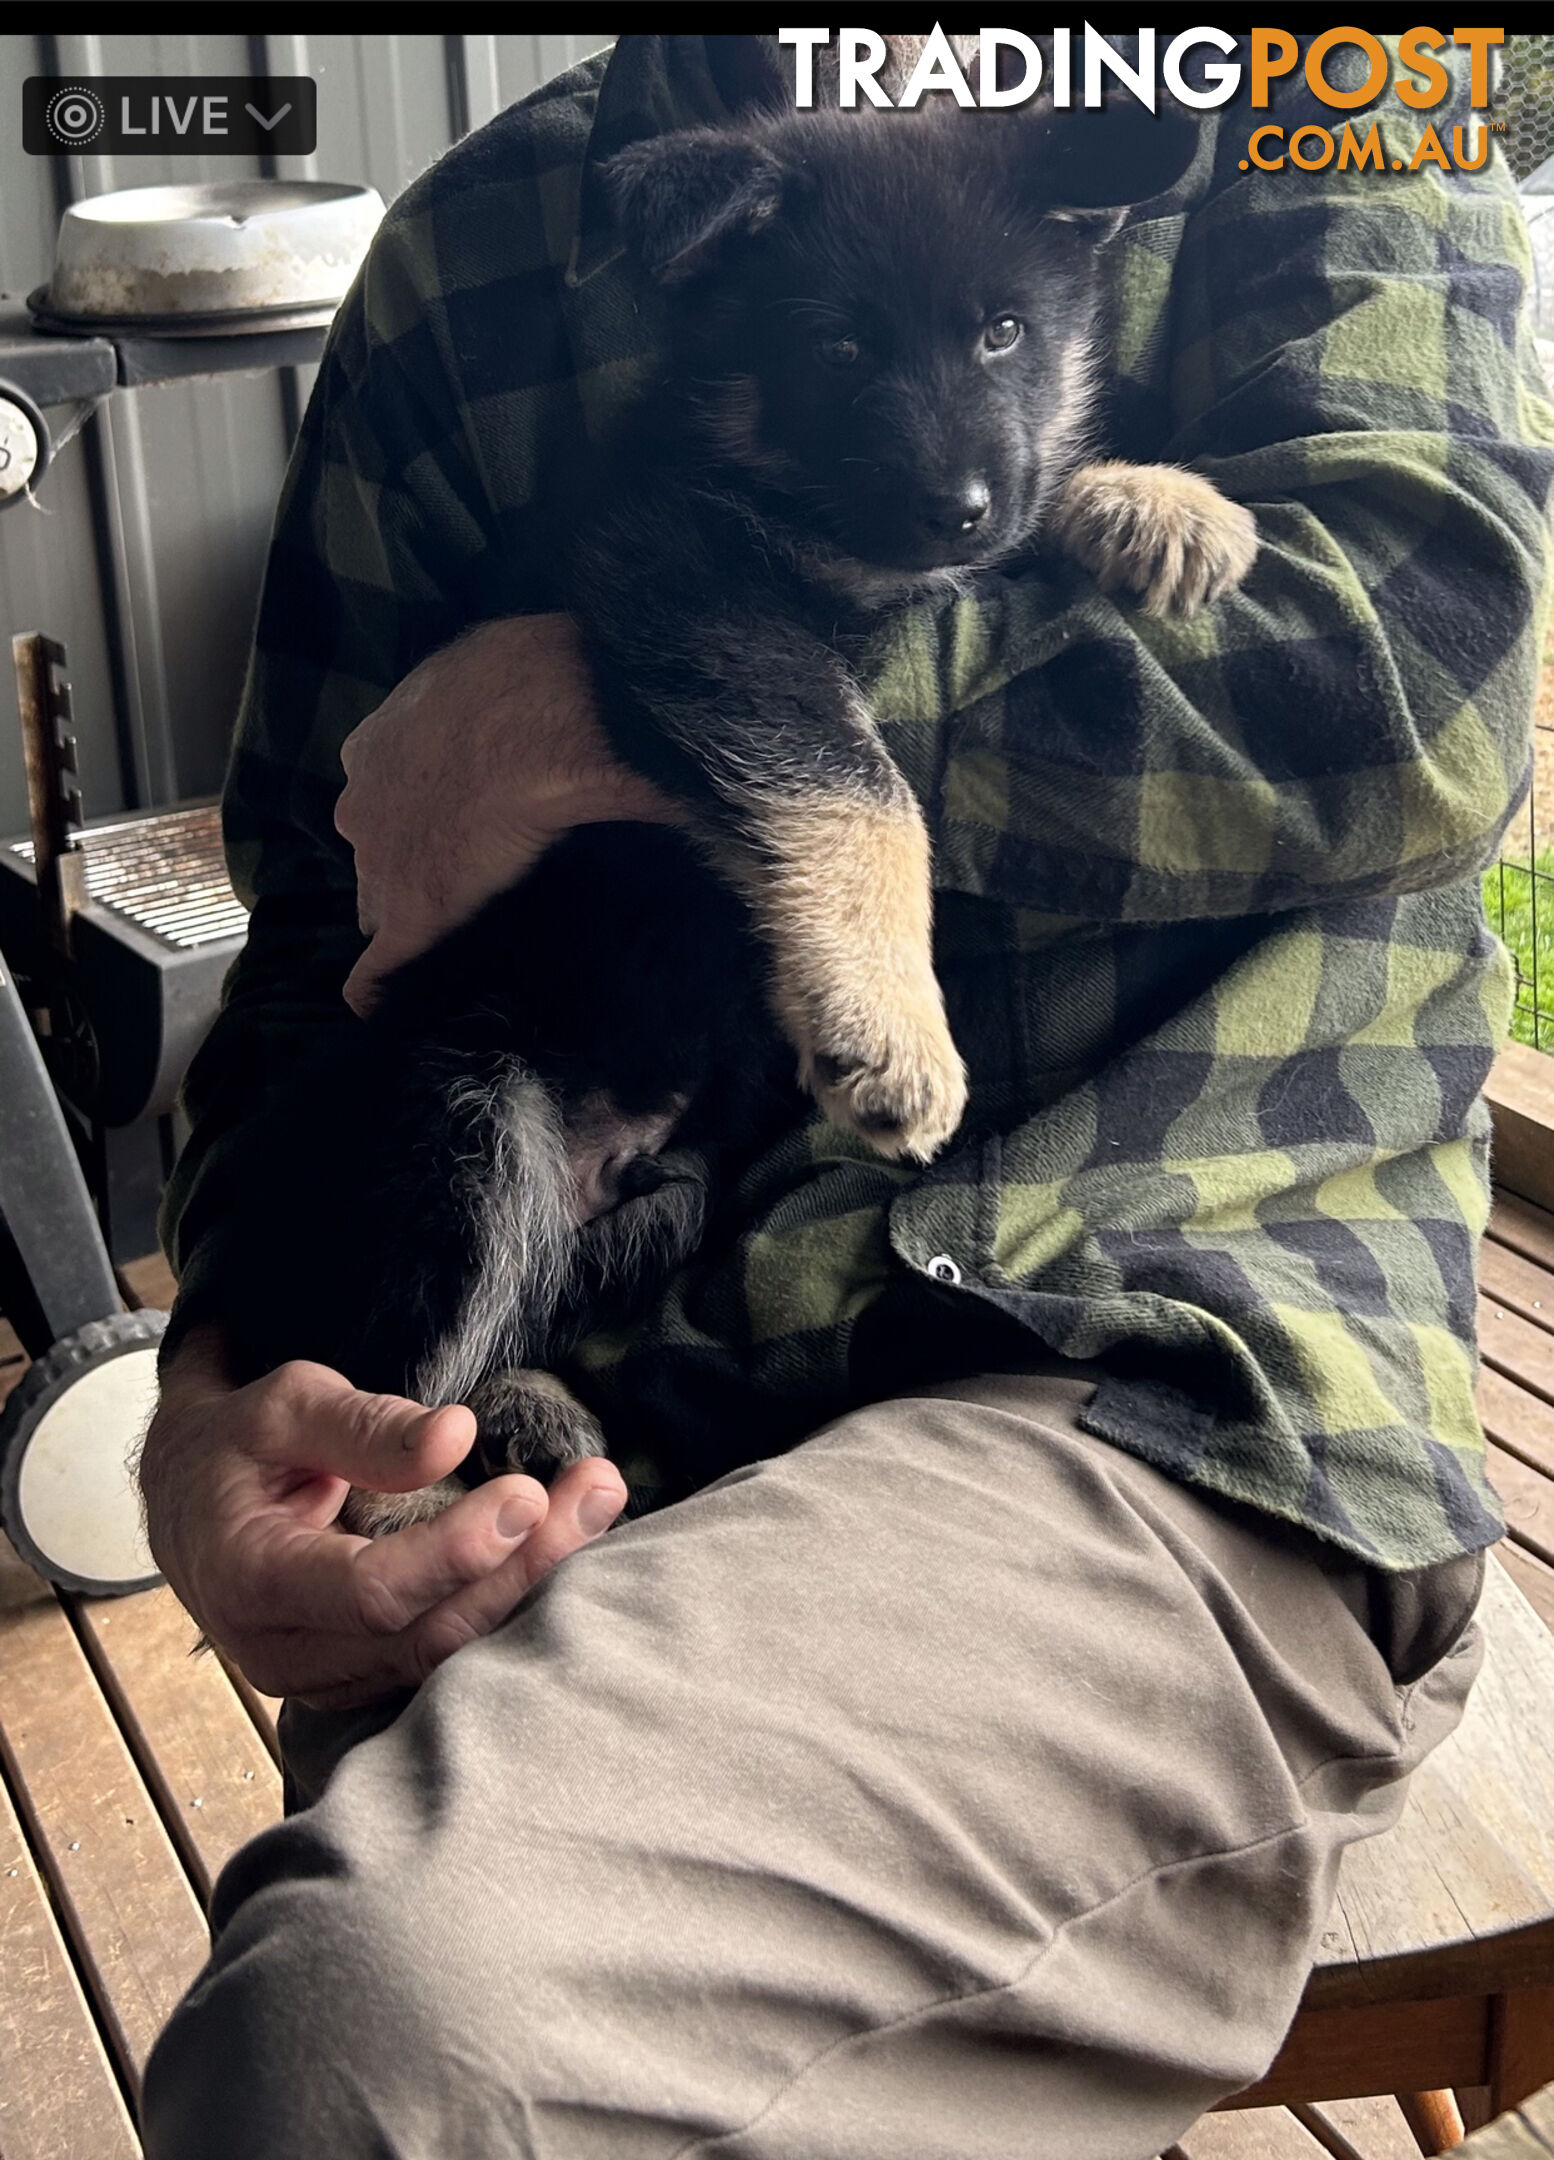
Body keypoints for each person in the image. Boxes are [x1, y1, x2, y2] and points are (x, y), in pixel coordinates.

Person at [137, 31, 1552, 2159]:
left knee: (378, 2042)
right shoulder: (486, 249)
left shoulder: (1325, 96)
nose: (947, 445)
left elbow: (1422, 680)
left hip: (1150, 1358)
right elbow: (317, 937)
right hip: (600, 1368)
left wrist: (617, 720)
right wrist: (208, 1399)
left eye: (998, 344)